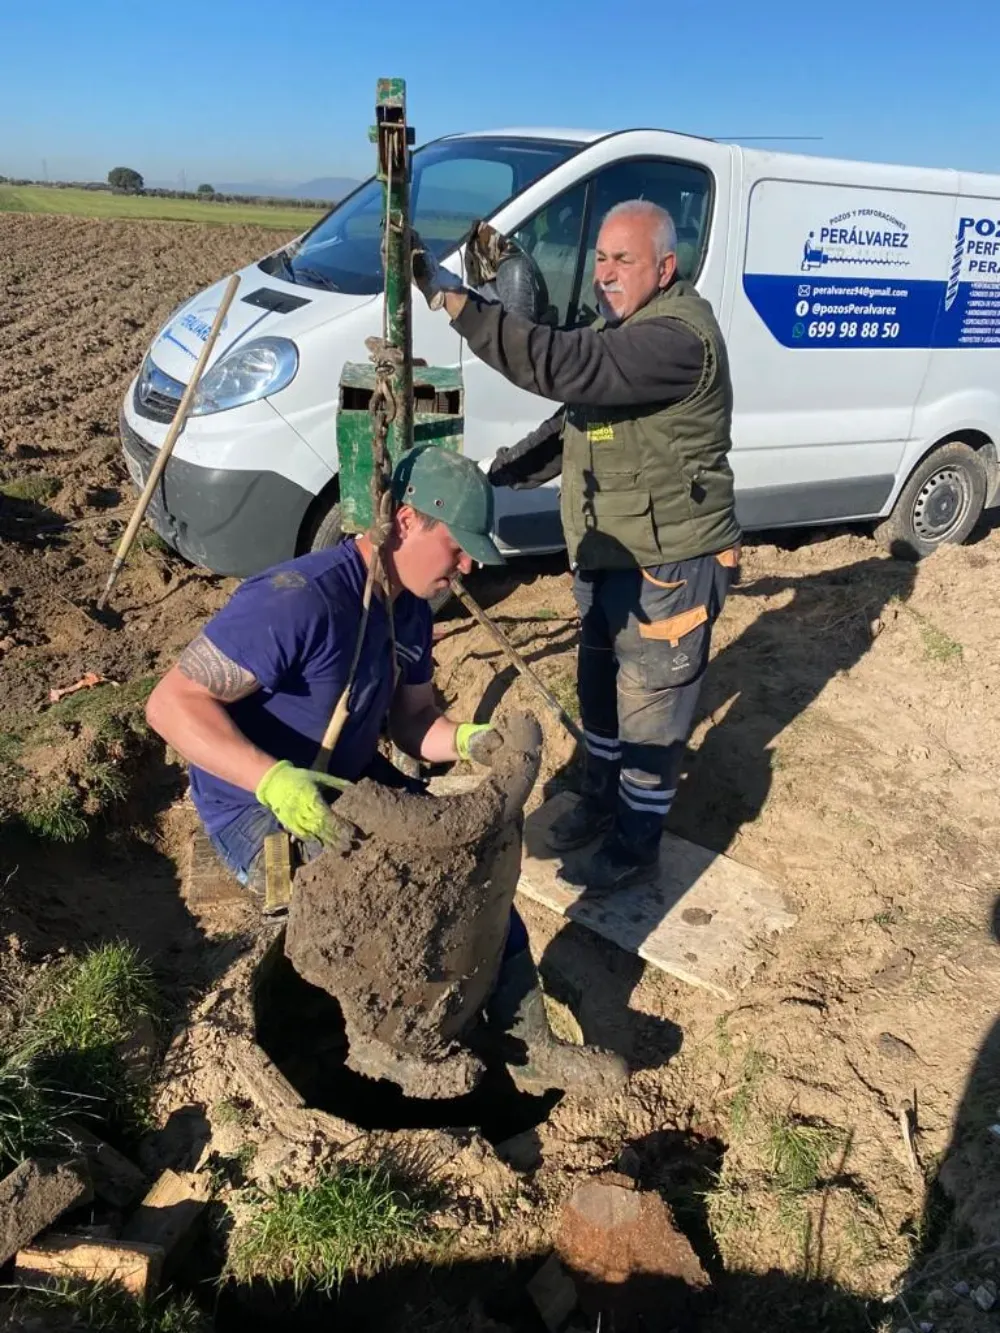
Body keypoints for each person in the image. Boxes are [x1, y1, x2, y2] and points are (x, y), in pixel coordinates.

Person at [145, 443, 625, 1094]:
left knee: (477, 857)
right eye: (457, 545)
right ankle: (383, 1042)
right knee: (385, 890)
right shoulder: (298, 600)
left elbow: (413, 723)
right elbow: (172, 703)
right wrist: (270, 779)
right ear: (404, 522)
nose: (468, 564)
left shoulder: (411, 612)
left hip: (351, 781)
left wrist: (476, 740)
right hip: (258, 808)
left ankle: (528, 1039)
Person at [412, 200, 742, 894]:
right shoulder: (623, 329)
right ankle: (598, 798)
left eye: (624, 260)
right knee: (600, 693)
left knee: (651, 707)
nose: (606, 273)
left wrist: (457, 301)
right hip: (610, 554)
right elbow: (576, 420)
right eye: (600, 258)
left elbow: (563, 366)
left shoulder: (676, 339)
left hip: (671, 564)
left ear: (666, 267)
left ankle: (634, 844)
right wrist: (499, 477)